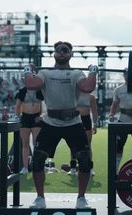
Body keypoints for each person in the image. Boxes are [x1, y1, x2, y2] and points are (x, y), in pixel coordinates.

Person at [23, 41, 97, 209]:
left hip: (73, 122)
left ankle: (81, 199)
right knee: (38, 160)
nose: (62, 52)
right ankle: (40, 198)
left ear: (71, 54)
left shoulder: (76, 73)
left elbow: (87, 87)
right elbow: (31, 85)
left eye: (65, 50)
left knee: (85, 160)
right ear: (54, 54)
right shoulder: (45, 73)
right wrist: (28, 69)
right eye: (58, 50)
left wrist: (93, 70)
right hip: (50, 122)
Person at [15, 66, 44, 175]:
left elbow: (44, 105)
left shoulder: (39, 91)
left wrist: (43, 116)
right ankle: (25, 167)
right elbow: (17, 106)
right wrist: (17, 117)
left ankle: (37, 165)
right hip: (25, 118)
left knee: (36, 143)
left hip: (36, 118)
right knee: (25, 144)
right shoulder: (22, 91)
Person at [68, 92, 98, 176]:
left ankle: (90, 168)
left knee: (87, 145)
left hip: (86, 120)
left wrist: (95, 124)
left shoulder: (91, 97)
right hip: (74, 120)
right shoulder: (72, 94)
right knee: (73, 145)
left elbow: (94, 111)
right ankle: (73, 167)